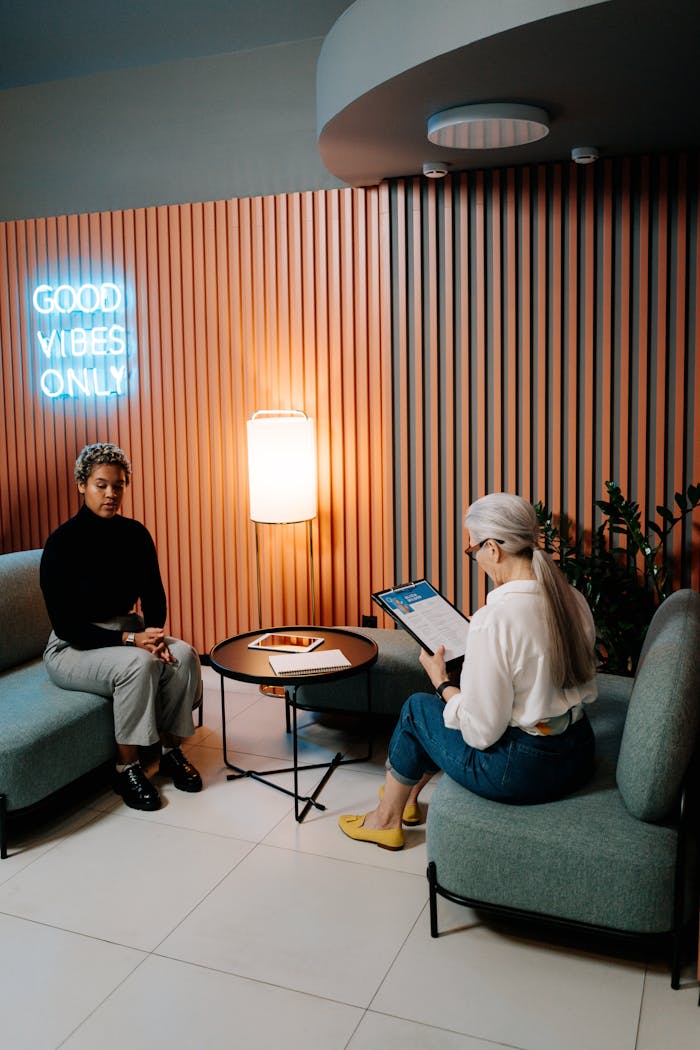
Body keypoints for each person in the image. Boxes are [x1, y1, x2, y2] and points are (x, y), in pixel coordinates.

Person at [339, 492, 597, 850]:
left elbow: (481, 734)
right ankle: (408, 800)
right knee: (438, 710)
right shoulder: (572, 598)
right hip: (578, 753)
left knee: (419, 709)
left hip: (525, 772)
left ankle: (385, 819)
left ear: (493, 548)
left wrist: (442, 681)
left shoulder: (495, 620)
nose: (476, 558)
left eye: (473, 550)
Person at [40, 442, 203, 812]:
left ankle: (170, 752)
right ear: (81, 485)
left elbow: (154, 597)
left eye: (119, 485)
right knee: (140, 664)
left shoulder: (135, 534)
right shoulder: (61, 544)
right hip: (73, 646)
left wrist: (157, 637)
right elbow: (67, 626)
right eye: (101, 485)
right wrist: (132, 640)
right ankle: (126, 767)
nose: (111, 494)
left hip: (127, 631)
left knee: (183, 655)